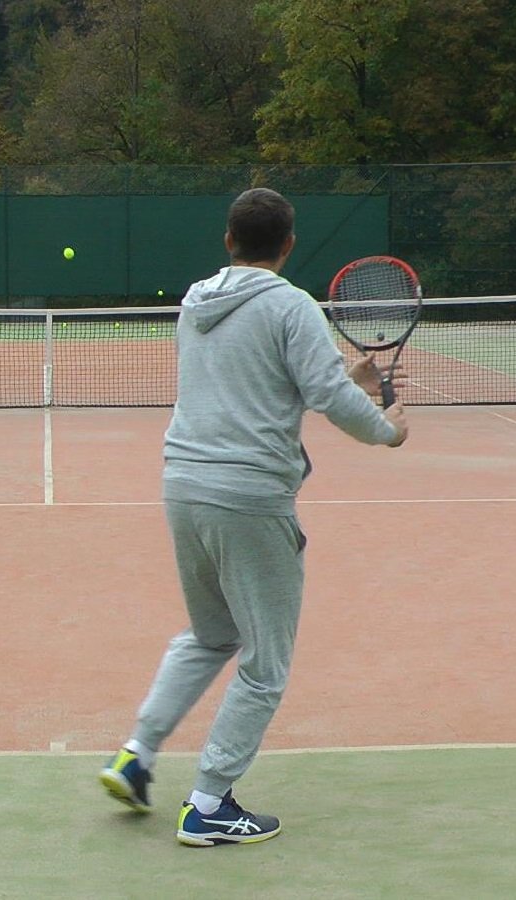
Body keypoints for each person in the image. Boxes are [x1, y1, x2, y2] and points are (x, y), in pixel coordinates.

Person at [99, 187, 409, 846]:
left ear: (228, 240)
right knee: (265, 663)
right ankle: (210, 803)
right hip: (248, 497)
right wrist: (387, 429)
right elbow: (320, 393)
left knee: (211, 636)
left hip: (183, 485)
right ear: (289, 245)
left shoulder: (194, 303)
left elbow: (264, 382)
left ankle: (136, 755)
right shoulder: (291, 306)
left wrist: (343, 378)